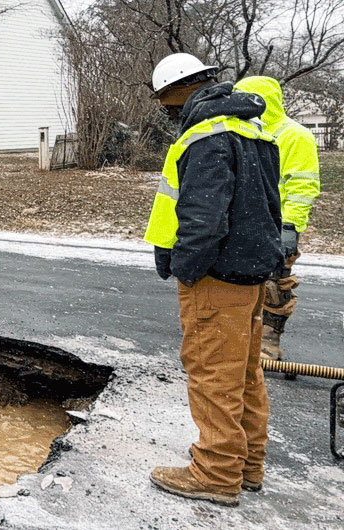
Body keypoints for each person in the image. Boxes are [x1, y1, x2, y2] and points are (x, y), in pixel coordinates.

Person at [143, 53, 283, 507]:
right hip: (252, 271)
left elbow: (203, 219)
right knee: (243, 373)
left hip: (217, 275)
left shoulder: (204, 137)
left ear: (182, 89)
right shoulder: (253, 129)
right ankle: (247, 464)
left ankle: (216, 472)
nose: (168, 111)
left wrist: (186, 267)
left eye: (166, 101)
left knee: (212, 374)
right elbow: (268, 205)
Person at [234, 76, 321, 362]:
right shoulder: (239, 131)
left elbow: (302, 185)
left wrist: (290, 227)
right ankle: (243, 341)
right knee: (241, 284)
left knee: (275, 285)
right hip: (246, 225)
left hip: (277, 225)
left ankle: (268, 344)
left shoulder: (294, 136)